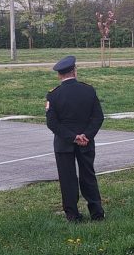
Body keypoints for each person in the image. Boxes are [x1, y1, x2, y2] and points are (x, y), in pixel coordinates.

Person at [45, 55, 105, 222]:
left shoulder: (54, 95)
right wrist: (86, 135)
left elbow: (52, 123)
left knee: (67, 179)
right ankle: (97, 212)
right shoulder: (88, 90)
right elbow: (98, 117)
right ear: (74, 71)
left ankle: (72, 215)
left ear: (59, 75)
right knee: (88, 176)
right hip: (86, 142)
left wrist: (72, 137)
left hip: (64, 144)